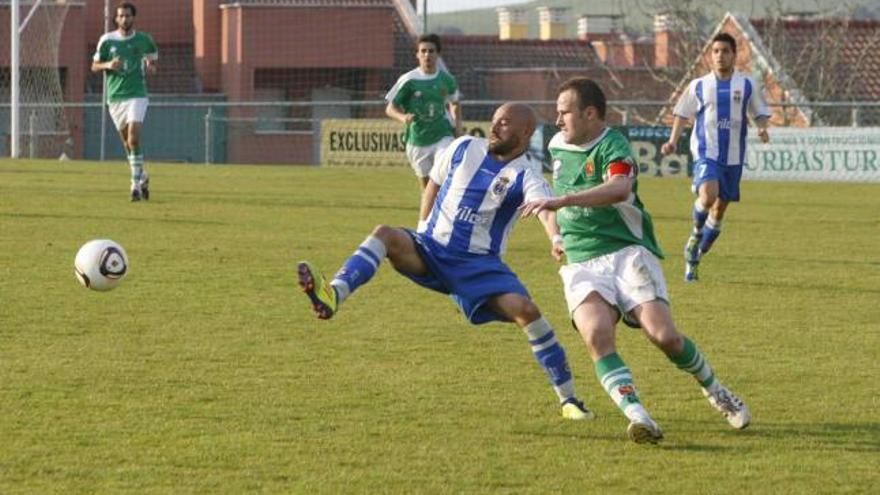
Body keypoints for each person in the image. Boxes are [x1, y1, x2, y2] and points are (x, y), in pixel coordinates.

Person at [298, 103, 593, 421]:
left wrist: (555, 238)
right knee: (385, 234)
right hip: (430, 250)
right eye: (494, 121)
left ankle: (569, 400)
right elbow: (434, 183)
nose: (494, 127)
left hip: (479, 267)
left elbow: (544, 207)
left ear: (526, 132)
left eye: (504, 123)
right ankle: (334, 294)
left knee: (527, 312)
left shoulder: (525, 175)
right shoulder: (463, 146)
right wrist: (423, 225)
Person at [520, 77, 750, 444]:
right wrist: (558, 235)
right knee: (596, 334)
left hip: (627, 251)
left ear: (590, 113)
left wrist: (562, 203)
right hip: (581, 260)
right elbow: (552, 198)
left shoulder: (614, 145)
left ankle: (716, 391)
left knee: (665, 336)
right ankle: (639, 416)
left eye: (564, 112)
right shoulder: (556, 144)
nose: (558, 119)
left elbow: (619, 189)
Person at [660, 32, 770, 281]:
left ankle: (694, 258)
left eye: (725, 51)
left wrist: (762, 127)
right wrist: (672, 141)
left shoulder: (746, 84)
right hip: (706, 152)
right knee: (708, 195)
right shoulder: (699, 85)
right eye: (716, 51)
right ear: (711, 55)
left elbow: (759, 112)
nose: (720, 56)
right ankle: (695, 234)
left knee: (719, 211)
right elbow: (682, 114)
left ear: (734, 55)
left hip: (733, 156)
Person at [91, 2, 158, 202]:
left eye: (128, 16)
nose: (124, 19)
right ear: (116, 18)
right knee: (128, 145)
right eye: (120, 16)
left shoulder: (144, 40)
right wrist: (108, 64)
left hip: (137, 94)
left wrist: (150, 66)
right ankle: (142, 176)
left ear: (133, 18)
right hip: (115, 98)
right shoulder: (107, 40)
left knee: (134, 138)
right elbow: (94, 66)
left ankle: (134, 185)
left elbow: (152, 62)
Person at [385, 33, 462, 194]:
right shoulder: (408, 80)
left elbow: (454, 103)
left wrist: (458, 128)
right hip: (417, 140)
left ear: (438, 54)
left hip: (443, 135)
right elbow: (390, 109)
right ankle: (427, 217)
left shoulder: (447, 80)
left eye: (431, 51)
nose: (427, 55)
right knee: (427, 189)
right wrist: (403, 117)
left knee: (444, 172)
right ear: (417, 55)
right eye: (424, 51)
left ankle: (447, 209)